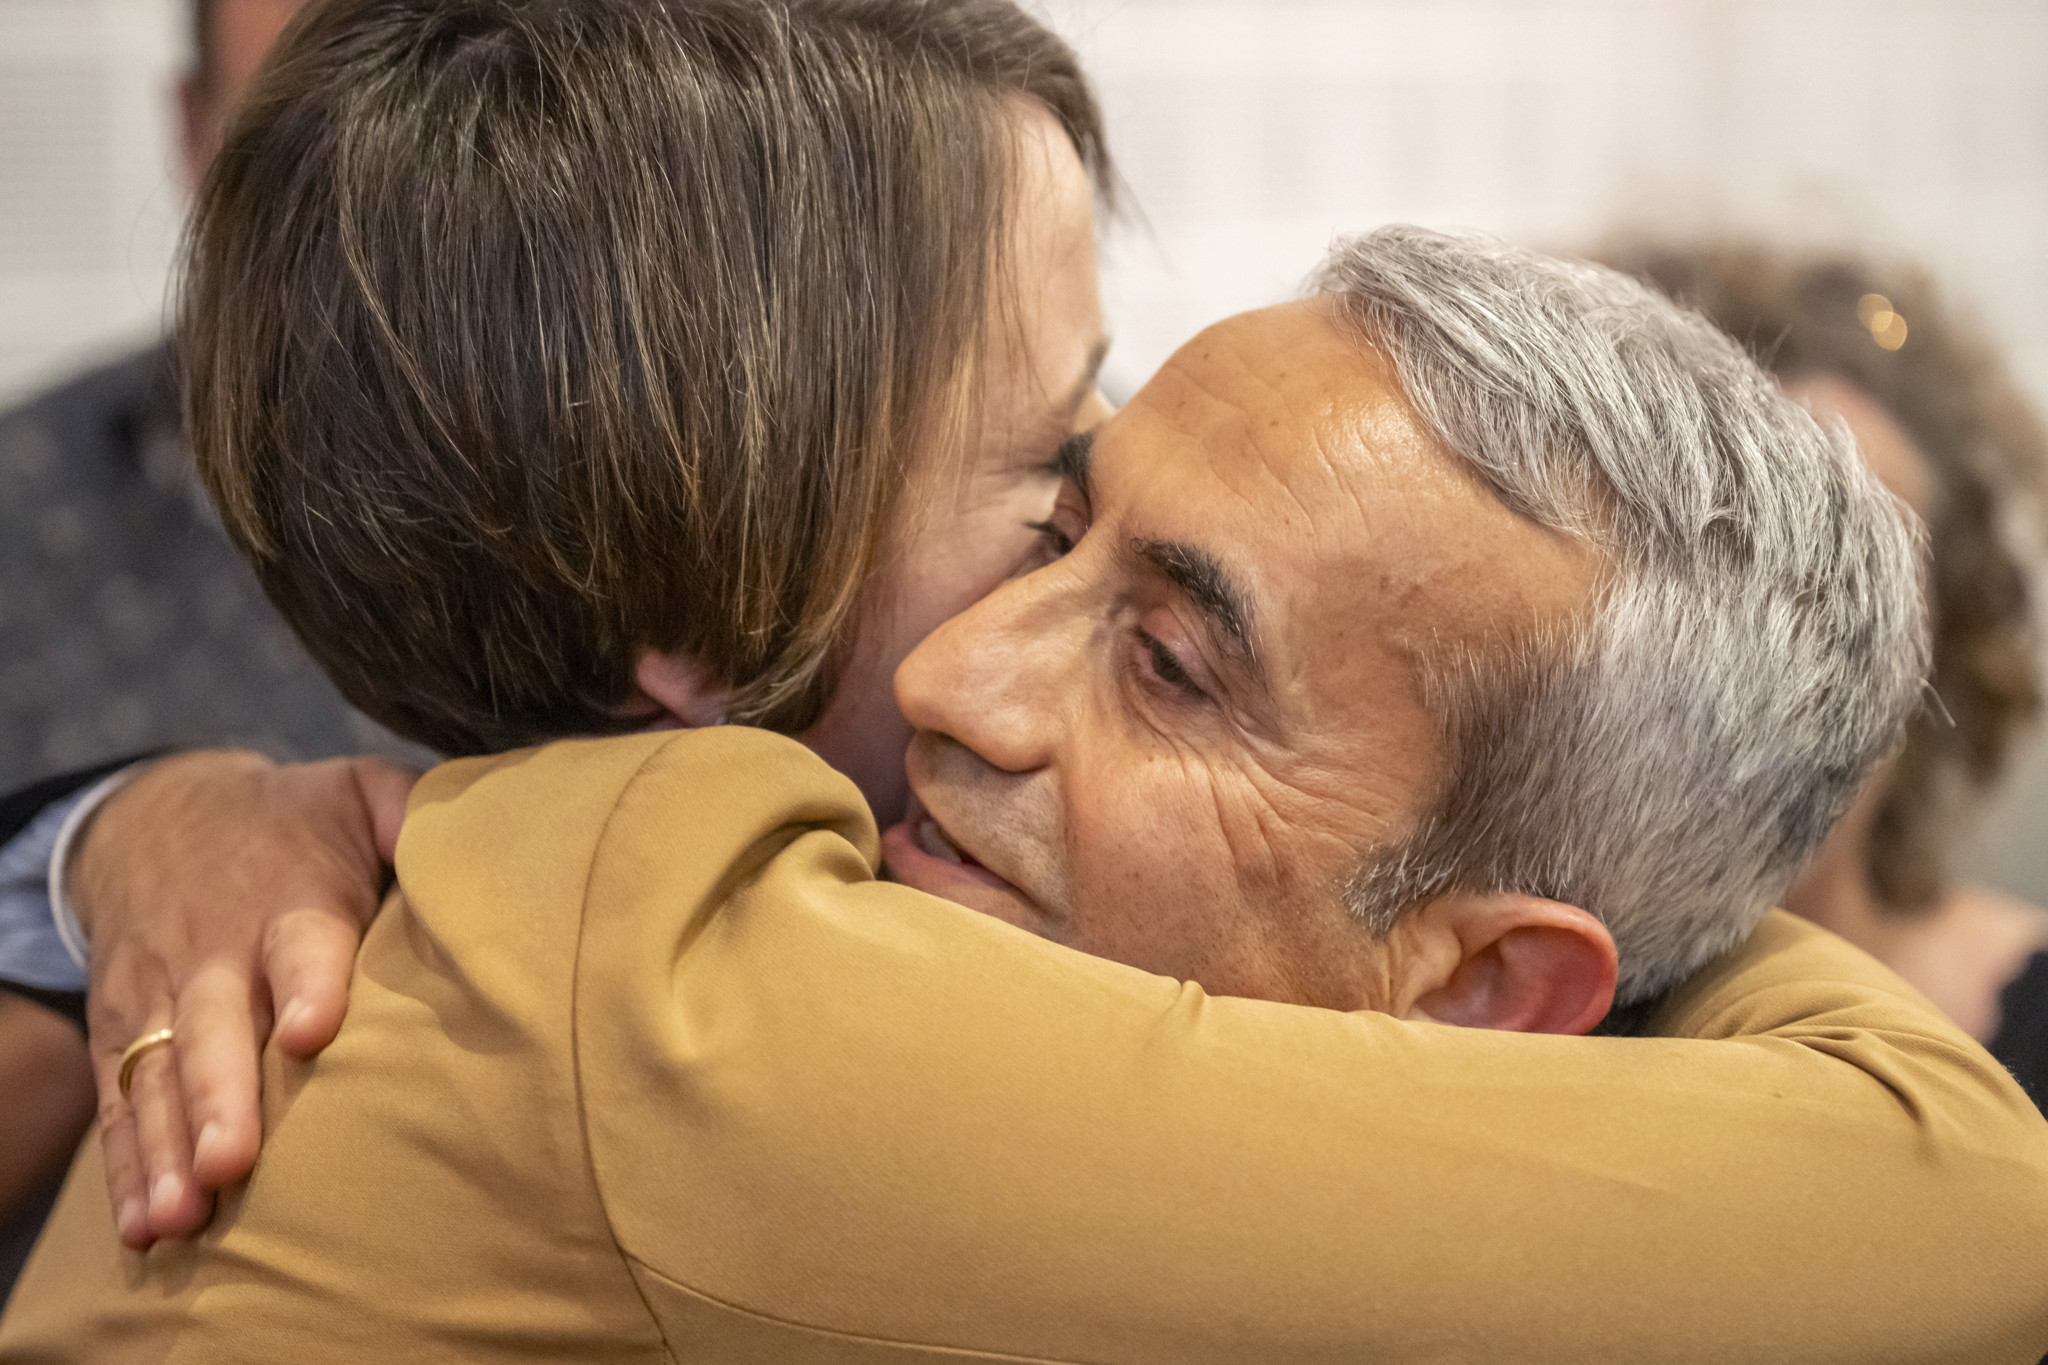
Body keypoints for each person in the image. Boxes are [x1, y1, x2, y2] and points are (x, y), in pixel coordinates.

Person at [1, 2, 2045, 1351]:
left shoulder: (543, 883)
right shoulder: (689, 956)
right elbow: (1962, 1209)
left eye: (1150, 633)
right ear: (709, 606)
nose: (986, 669)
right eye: (1051, 482)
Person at [0, 0, 389, 1293]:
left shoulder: (692, 488)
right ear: (194, 133)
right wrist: (104, 868)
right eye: (306, 119)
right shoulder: (27, 504)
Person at [1600, 240, 2048, 1108]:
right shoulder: (1491, 1018)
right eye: (1722, 553)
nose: (1785, 643)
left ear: (1944, 651)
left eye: (1859, 575)